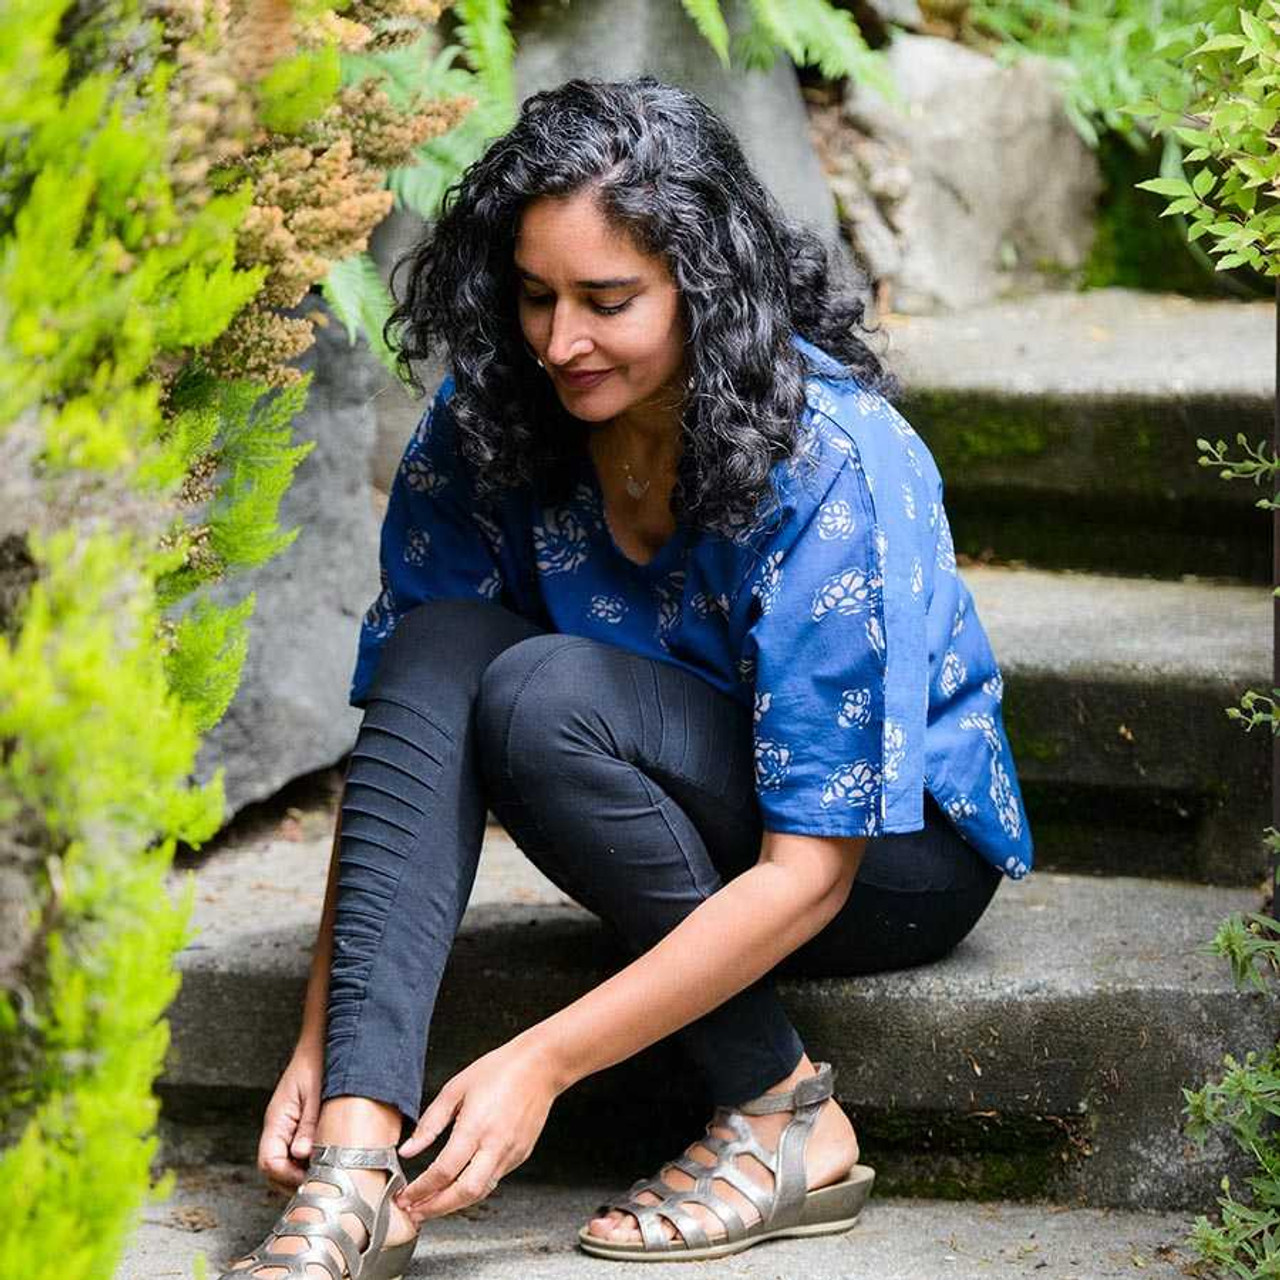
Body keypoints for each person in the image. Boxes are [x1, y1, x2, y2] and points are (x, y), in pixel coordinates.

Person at [220, 75, 1033, 1279]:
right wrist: (333, 1045)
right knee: (445, 645)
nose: (559, 341)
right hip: (655, 796)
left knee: (541, 696)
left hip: (883, 861)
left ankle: (779, 1114)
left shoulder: (837, 462)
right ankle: (356, 1165)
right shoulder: (499, 412)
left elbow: (810, 873)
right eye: (534, 296)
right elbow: (411, 731)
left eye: (607, 301)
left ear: (704, 293)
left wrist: (540, 1057)